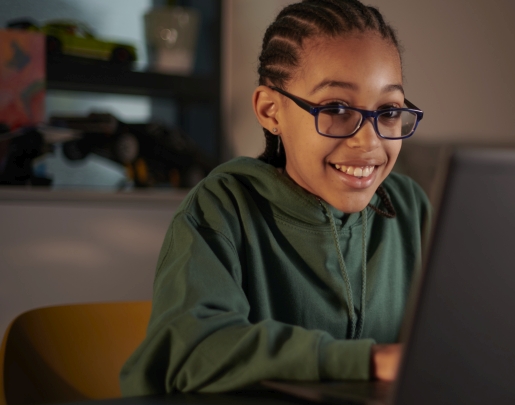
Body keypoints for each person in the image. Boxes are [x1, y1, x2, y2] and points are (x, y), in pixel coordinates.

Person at [120, 0, 430, 395]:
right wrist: (367, 361)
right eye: (336, 107)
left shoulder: (410, 209)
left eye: (388, 111)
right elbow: (194, 350)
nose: (368, 141)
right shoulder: (221, 209)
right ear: (271, 111)